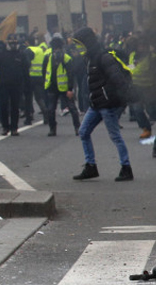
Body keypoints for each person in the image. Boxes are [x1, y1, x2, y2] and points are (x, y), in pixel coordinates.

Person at [71, 27, 133, 181]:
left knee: (115, 136)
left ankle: (126, 167)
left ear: (87, 43)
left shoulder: (103, 57)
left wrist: (123, 98)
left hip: (107, 104)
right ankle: (90, 166)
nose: (78, 49)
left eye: (80, 45)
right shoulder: (90, 58)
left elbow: (117, 78)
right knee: (83, 131)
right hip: (97, 103)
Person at [42, 36, 81, 136]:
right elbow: (44, 72)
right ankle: (52, 128)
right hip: (52, 87)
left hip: (65, 88)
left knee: (72, 108)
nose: (57, 51)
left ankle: (77, 128)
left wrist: (70, 89)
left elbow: (71, 75)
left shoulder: (66, 58)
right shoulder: (48, 58)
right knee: (51, 110)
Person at [0, 34, 29, 136]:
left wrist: (27, 85)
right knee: (3, 106)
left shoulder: (21, 55)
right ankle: (5, 127)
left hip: (17, 85)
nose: (13, 45)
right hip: (3, 85)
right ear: (7, 43)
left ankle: (14, 128)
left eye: (15, 43)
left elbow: (26, 70)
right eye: (11, 43)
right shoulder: (0, 55)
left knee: (15, 107)